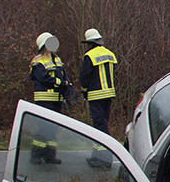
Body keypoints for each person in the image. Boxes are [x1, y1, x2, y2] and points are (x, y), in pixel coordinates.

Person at [29, 32, 72, 164]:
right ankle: (36, 155)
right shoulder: (38, 61)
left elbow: (64, 76)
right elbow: (43, 78)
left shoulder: (57, 60)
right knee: (43, 127)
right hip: (44, 100)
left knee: (53, 128)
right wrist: (61, 83)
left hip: (56, 99)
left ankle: (49, 155)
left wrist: (68, 86)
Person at [79, 28, 118, 168]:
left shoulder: (90, 56)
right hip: (108, 95)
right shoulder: (109, 54)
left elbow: (85, 77)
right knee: (103, 124)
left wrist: (84, 91)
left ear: (89, 43)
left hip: (96, 95)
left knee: (99, 127)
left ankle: (104, 159)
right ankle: (97, 156)